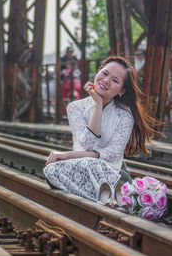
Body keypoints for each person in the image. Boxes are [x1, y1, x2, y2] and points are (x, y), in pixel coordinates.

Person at [43, 55, 158, 204]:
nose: (106, 80)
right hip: (81, 163)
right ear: (98, 72)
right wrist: (97, 105)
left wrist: (66, 155)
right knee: (51, 170)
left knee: (94, 166)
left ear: (122, 91)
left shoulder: (125, 114)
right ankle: (109, 198)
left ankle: (106, 195)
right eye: (104, 73)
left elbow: (112, 154)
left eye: (115, 80)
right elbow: (85, 146)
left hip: (111, 169)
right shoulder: (75, 108)